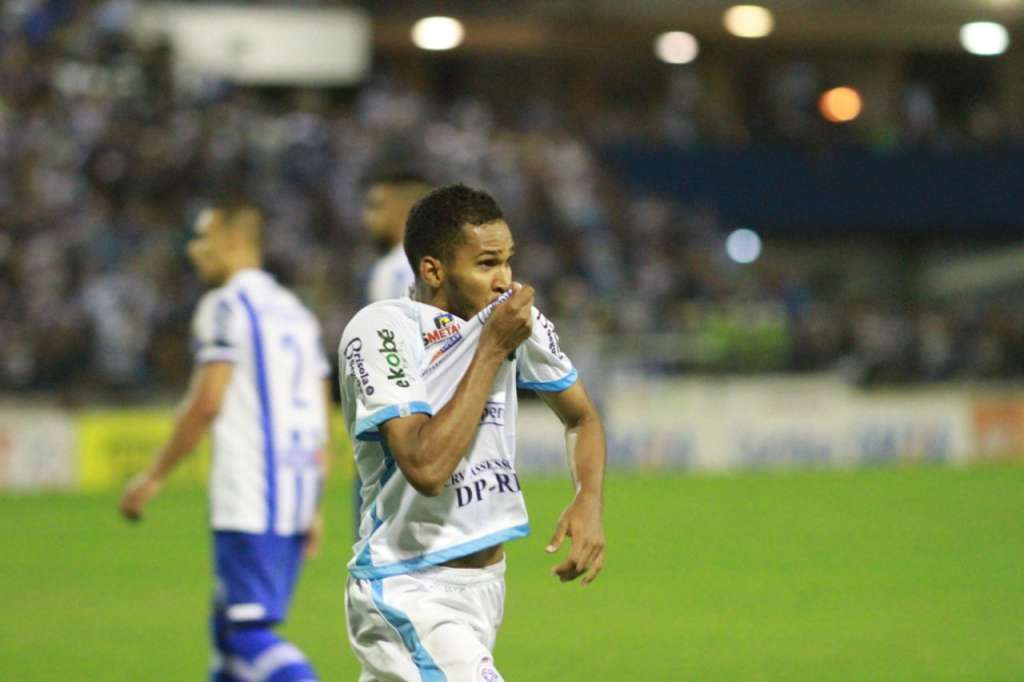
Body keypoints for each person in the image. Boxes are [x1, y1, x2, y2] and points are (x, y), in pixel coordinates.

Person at [338, 183, 607, 681]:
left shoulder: (511, 322)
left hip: (484, 587)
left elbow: (582, 417)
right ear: (433, 269)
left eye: (507, 261)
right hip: (408, 584)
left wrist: (587, 499)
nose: (504, 280)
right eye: (486, 264)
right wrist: (490, 349)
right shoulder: (383, 330)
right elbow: (425, 467)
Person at [120, 200, 331, 682]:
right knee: (226, 629)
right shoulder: (297, 312)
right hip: (294, 491)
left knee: (244, 633)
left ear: (234, 242)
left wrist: (153, 476)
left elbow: (206, 401)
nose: (194, 251)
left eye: (203, 238)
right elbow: (320, 409)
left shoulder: (225, 305)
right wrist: (313, 501)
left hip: (251, 490)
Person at [362, 169, 433, 302]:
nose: (367, 218)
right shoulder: (446, 264)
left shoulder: (394, 269)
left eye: (376, 206)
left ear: (403, 209)